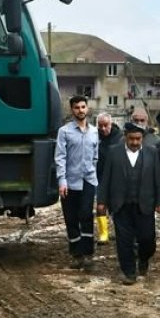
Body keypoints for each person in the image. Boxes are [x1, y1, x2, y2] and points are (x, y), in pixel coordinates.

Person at [97, 123, 160, 284]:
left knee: (147, 238)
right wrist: (101, 201)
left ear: (142, 139)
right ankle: (129, 272)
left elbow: (157, 178)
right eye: (131, 139)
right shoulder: (114, 152)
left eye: (138, 139)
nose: (135, 142)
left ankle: (143, 258)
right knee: (124, 241)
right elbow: (106, 178)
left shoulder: (151, 152)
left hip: (145, 204)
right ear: (125, 137)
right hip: (121, 204)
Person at [55, 95, 99, 270]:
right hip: (70, 182)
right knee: (71, 218)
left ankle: (88, 255)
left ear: (87, 108)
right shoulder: (64, 132)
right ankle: (76, 255)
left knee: (86, 216)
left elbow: (96, 156)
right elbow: (60, 157)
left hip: (88, 181)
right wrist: (62, 181)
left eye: (83, 107)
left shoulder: (94, 132)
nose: (80, 110)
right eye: (76, 107)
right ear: (71, 110)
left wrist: (95, 177)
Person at [94, 112, 122, 245]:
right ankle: (103, 233)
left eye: (106, 125)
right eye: (100, 126)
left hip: (116, 177)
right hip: (99, 176)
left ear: (111, 124)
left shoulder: (120, 137)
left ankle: (120, 232)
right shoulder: (94, 136)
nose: (103, 129)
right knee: (100, 206)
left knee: (117, 207)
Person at [130, 107, 160, 172]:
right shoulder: (123, 140)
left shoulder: (155, 140)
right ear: (131, 121)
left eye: (142, 120)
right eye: (136, 120)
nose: (139, 123)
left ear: (147, 122)